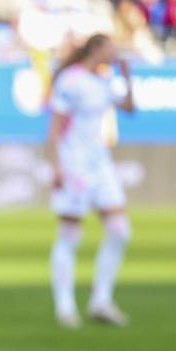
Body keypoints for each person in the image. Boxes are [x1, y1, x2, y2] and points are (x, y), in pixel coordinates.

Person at [45, 33, 136, 328]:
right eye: (112, 47)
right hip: (75, 164)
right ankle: (65, 306)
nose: (116, 52)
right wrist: (57, 165)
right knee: (70, 234)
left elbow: (130, 108)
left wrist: (127, 78)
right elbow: (56, 127)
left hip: (100, 163)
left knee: (120, 230)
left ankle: (101, 300)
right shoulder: (71, 81)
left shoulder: (102, 80)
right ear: (97, 49)